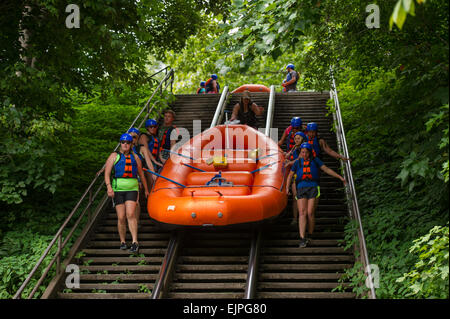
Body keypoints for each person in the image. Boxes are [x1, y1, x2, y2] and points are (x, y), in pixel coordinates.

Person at [286, 143, 346, 248]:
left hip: (313, 187)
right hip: (301, 188)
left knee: (310, 213)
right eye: (302, 152)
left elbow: (326, 169)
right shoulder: (297, 163)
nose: (304, 154)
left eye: (306, 152)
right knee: (302, 213)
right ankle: (302, 238)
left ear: (309, 153)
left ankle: (310, 234)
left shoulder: (315, 160)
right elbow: (290, 175)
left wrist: (339, 177)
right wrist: (287, 188)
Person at [104, 133, 149, 254]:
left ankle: (135, 242)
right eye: (123, 142)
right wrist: (109, 187)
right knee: (121, 217)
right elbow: (107, 173)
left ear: (131, 144)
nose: (125, 144)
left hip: (132, 189)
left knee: (130, 214)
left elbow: (141, 175)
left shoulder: (136, 157)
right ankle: (123, 241)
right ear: (120, 143)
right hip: (118, 189)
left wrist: (146, 189)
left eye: (128, 142)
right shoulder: (114, 156)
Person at [284, 131, 308, 224]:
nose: (296, 140)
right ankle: (295, 218)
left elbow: (299, 159)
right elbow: (287, 155)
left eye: (298, 138)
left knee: (302, 197)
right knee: (295, 197)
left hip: (302, 174)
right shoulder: (294, 147)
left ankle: (303, 216)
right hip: (295, 174)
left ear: (302, 139)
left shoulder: (304, 149)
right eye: (295, 138)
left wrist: (289, 162)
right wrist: (286, 157)